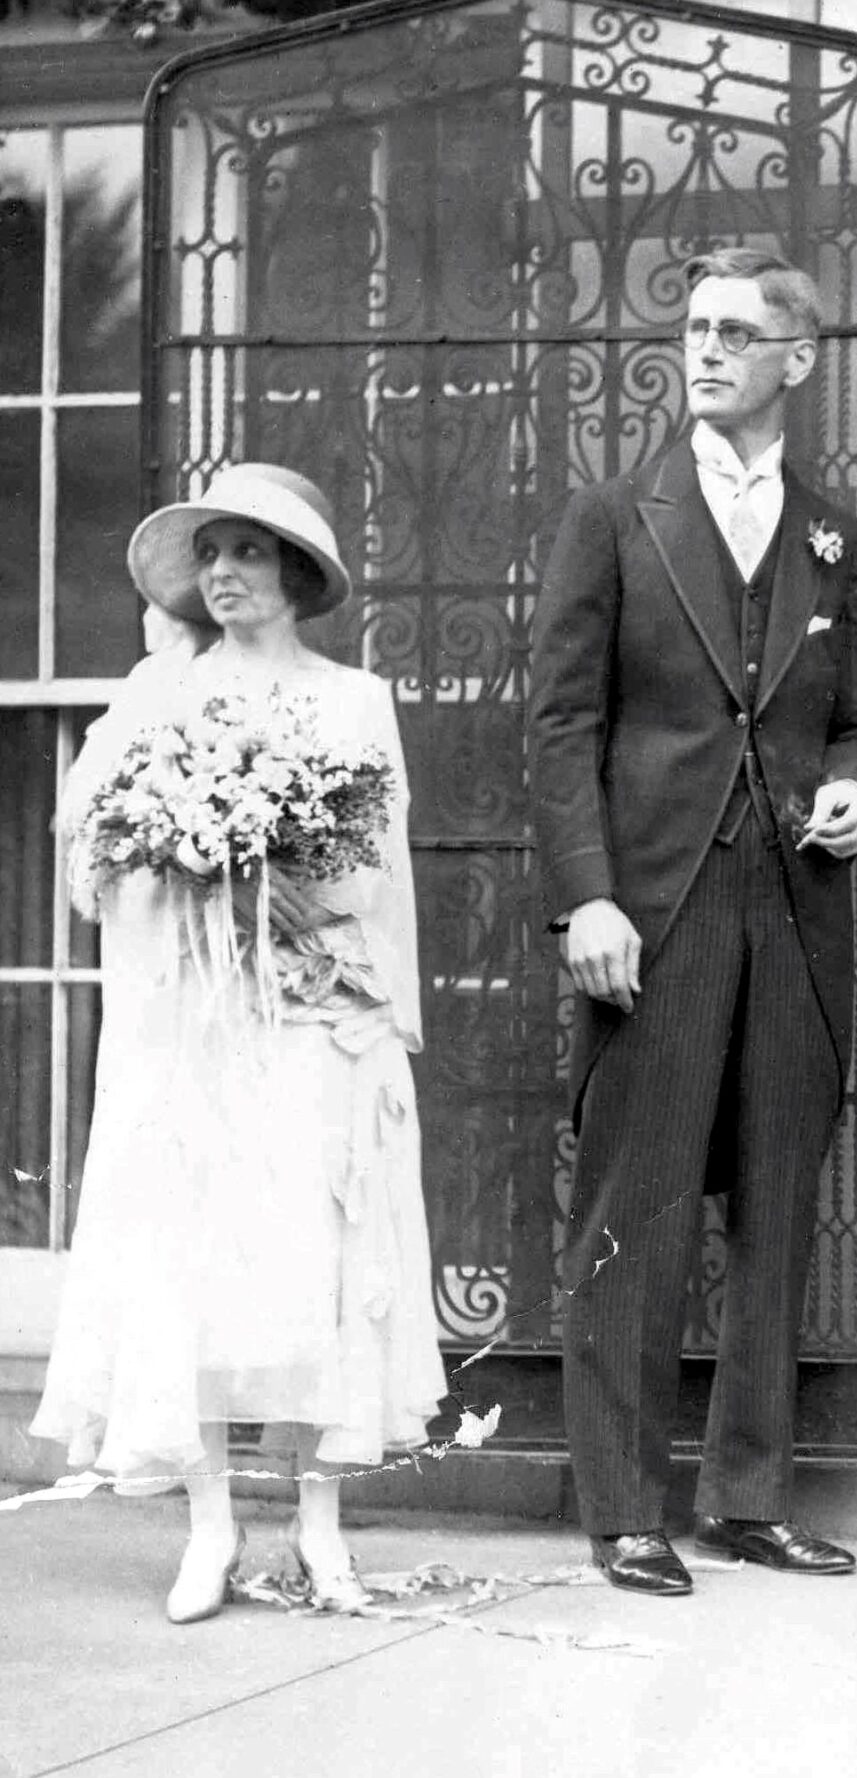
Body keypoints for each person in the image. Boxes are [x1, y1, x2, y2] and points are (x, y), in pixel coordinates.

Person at [528, 247, 857, 1598]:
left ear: (799, 359)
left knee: (781, 1207)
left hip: (792, 910)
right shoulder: (617, 513)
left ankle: (750, 1497)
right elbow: (563, 722)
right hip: (657, 909)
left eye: (738, 331)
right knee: (640, 1206)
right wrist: (588, 898)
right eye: (694, 328)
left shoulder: (837, 530)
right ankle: (627, 1507)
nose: (707, 349)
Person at [32, 463, 448, 1623]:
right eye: (209, 555)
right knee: (194, 1257)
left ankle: (319, 1523)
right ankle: (212, 1521)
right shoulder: (155, 700)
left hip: (314, 1011)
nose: (224, 574)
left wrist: (367, 996)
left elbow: (379, 874)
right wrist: (174, 848)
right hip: (195, 1025)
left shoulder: (354, 700)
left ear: (297, 574)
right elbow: (87, 862)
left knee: (316, 1253)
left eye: (248, 552)